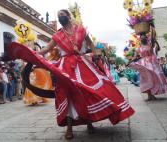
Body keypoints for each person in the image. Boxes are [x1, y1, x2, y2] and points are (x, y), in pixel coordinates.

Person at [36, 9, 134, 139]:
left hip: (83, 63)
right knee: (68, 95)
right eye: (59, 16)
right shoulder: (57, 35)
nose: (61, 18)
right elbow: (47, 48)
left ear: (69, 16)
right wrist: (35, 54)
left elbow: (91, 44)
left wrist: (94, 54)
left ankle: (89, 122)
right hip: (66, 67)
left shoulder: (81, 30)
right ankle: (69, 128)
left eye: (63, 15)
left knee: (88, 93)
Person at [130, 34, 167, 101]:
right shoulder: (138, 48)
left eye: (144, 38)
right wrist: (130, 62)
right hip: (144, 65)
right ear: (140, 40)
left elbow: (158, 48)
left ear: (146, 39)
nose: (143, 39)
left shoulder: (150, 45)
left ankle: (153, 94)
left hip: (152, 64)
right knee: (146, 79)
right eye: (141, 38)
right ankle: (149, 95)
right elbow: (134, 57)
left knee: (153, 78)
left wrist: (155, 41)